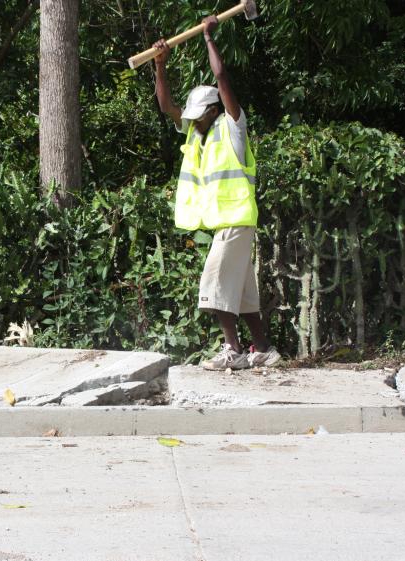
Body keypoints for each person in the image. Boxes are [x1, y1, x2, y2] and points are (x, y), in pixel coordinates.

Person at [152, 15, 280, 370]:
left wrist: (209, 37)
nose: (191, 120)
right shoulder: (197, 132)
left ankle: (233, 352)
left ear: (213, 110)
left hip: (236, 220)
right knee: (242, 294)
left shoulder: (233, 126)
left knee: (213, 286)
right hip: (228, 224)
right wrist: (161, 64)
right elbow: (166, 106)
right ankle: (263, 349)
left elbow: (222, 77)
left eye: (199, 115)